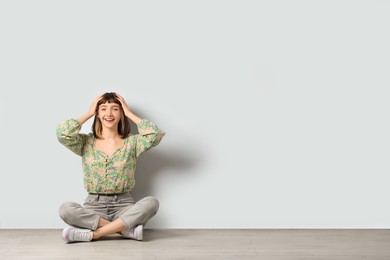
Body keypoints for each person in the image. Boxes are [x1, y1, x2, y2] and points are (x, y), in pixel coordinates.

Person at [56, 92, 165, 243]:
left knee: (151, 203)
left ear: (121, 113)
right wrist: (88, 113)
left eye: (115, 108)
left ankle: (95, 234)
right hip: (93, 207)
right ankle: (124, 230)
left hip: (124, 206)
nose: (109, 113)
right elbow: (63, 133)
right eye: (103, 109)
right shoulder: (85, 142)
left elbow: (155, 135)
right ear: (97, 113)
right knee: (65, 209)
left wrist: (129, 113)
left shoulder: (132, 143)